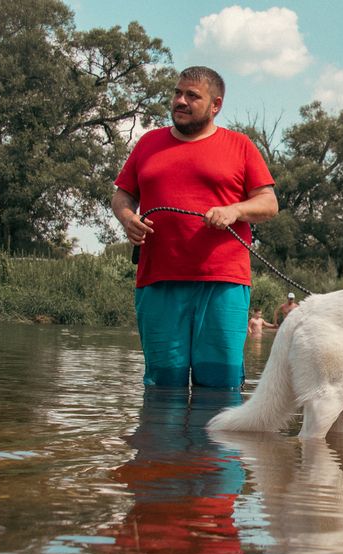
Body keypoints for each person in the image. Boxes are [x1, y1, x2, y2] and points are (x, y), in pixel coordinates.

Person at [111, 66, 278, 389]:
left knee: (220, 383)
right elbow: (122, 196)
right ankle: (161, 441)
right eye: (177, 93)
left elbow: (268, 204)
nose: (180, 101)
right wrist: (128, 218)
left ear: (215, 105)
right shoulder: (148, 143)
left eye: (192, 95)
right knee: (163, 384)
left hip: (222, 282)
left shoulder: (240, 145)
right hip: (158, 280)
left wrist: (235, 210)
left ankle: (214, 442)